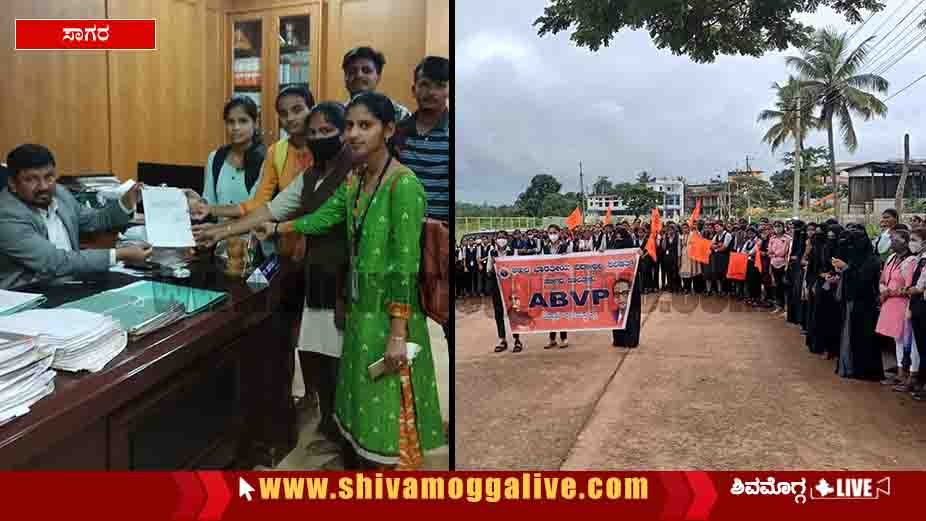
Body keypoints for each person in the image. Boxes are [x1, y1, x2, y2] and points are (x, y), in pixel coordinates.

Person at [195, 93, 444, 469]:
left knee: (390, 409)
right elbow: (322, 217)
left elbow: (404, 266)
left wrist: (397, 332)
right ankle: (360, 466)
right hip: (360, 307)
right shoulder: (357, 180)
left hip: (390, 313)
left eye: (366, 126)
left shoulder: (403, 185)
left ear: (388, 129)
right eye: (351, 126)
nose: (355, 134)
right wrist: (280, 226)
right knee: (362, 400)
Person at [191, 85, 316, 260]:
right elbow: (262, 206)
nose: (290, 118)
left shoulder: (325, 148)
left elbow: (322, 213)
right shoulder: (276, 152)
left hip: (318, 243)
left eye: (297, 110)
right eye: (283, 113)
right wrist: (216, 228)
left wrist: (219, 228)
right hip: (284, 245)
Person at [0, 144, 149, 289]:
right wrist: (119, 254)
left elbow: (95, 220)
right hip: (29, 293)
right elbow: (54, 263)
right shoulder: (7, 215)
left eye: (49, 177)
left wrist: (128, 201)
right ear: (13, 184)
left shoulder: (59, 193)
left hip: (71, 281)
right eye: (31, 179)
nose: (43, 186)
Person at [201, 96, 272, 256]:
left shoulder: (266, 159)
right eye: (230, 122)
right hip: (218, 247)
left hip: (253, 250)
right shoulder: (216, 157)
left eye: (243, 121)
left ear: (255, 123)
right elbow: (208, 202)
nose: (236, 127)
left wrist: (211, 212)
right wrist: (197, 203)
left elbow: (255, 210)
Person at [394, 56, 450, 223]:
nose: (431, 92)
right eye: (424, 84)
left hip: (442, 234)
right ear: (413, 89)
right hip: (402, 227)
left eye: (439, 86)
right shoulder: (398, 132)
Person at [834, 229, 884, 381]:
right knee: (850, 335)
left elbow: (863, 280)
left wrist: (846, 268)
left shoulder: (871, 260)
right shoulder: (856, 258)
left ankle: (863, 370)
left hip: (865, 305)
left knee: (864, 338)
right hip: (852, 302)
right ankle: (851, 367)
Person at [876, 228, 918, 390]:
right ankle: (901, 372)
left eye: (895, 239)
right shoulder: (892, 258)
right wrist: (883, 290)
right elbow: (883, 279)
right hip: (889, 303)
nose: (891, 242)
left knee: (906, 340)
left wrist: (891, 292)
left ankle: (908, 374)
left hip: (903, 304)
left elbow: (909, 286)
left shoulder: (911, 261)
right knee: (897, 339)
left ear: (905, 242)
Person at [342, 47, 411, 123]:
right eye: (352, 71)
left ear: (378, 77)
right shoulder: (337, 114)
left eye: (366, 70)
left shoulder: (399, 114)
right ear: (345, 77)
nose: (359, 75)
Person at [488, 231, 523, 353]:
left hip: (511, 287)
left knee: (513, 312)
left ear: (507, 239)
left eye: (503, 237)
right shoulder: (491, 252)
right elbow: (488, 270)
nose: (501, 239)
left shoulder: (513, 251)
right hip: (496, 286)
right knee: (498, 313)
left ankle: (517, 340)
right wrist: (494, 264)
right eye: (499, 237)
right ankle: (502, 340)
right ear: (495, 239)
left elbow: (518, 269)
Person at [904, 227, 926, 399]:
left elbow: (919, 286)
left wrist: (910, 289)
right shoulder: (918, 259)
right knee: (920, 346)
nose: (911, 243)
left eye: (914, 240)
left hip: (922, 306)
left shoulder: (924, 261)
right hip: (918, 306)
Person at [542, 224, 571, 349]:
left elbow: (572, 261)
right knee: (551, 310)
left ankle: (563, 338)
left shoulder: (566, 246)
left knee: (562, 310)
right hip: (549, 283)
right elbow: (541, 262)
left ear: (559, 233)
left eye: (554, 232)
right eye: (550, 232)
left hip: (562, 282)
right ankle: (552, 338)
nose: (552, 235)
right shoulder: (545, 247)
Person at [768, 221, 790, 312]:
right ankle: (779, 305)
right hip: (773, 263)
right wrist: (774, 255)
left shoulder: (788, 238)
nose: (777, 228)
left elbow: (786, 252)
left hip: (784, 264)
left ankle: (786, 307)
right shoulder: (772, 238)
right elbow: (769, 251)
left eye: (779, 226)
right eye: (775, 226)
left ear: (783, 227)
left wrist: (777, 254)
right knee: (777, 285)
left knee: (785, 285)